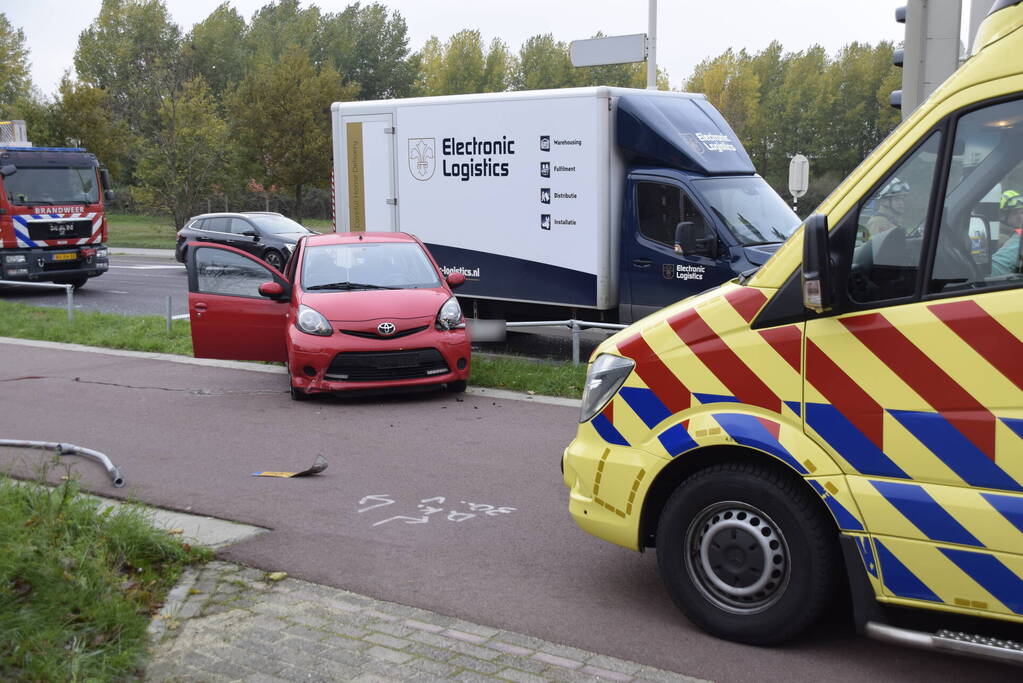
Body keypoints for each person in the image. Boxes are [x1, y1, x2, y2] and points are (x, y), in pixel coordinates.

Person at [991, 189, 1023, 276]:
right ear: (1003, 216)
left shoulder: (1017, 234)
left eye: (1021, 212)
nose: (1020, 217)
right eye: (1015, 213)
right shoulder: (997, 237)